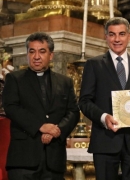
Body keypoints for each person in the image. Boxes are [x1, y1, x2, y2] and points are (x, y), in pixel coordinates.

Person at [79, 17, 130, 180]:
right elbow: (84, 101)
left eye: (121, 34)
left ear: (129, 36)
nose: (117, 39)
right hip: (105, 141)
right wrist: (104, 118)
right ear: (106, 37)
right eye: (112, 35)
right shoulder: (94, 65)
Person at [2, 32, 80, 180]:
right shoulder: (15, 79)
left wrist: (57, 130)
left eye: (42, 51)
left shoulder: (65, 82)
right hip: (23, 160)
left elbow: (73, 112)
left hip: (54, 160)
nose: (36, 56)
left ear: (51, 55)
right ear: (27, 54)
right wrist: (40, 126)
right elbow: (11, 107)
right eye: (32, 51)